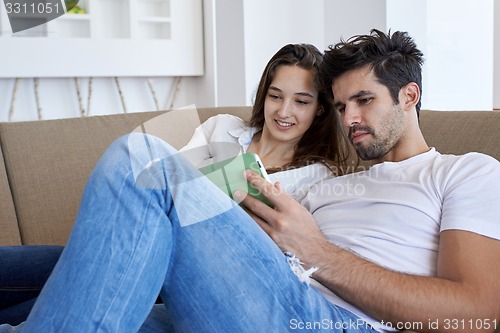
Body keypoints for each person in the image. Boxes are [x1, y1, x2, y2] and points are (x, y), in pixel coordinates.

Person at [2, 29, 499, 333]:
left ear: (409, 95)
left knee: (141, 156)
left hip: (320, 319)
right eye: (343, 106)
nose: (351, 118)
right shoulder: (337, 182)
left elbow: (477, 314)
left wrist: (316, 252)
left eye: (364, 100)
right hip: (249, 292)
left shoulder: (465, 170)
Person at [0, 43, 350, 328]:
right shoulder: (223, 129)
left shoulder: (317, 177)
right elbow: (161, 176)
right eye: (275, 96)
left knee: (74, 273)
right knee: (51, 268)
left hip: (205, 273)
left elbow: (291, 264)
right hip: (151, 239)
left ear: (320, 110)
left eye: (301, 102)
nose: (284, 111)